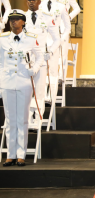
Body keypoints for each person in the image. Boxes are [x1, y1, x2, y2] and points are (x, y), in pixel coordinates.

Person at [1, 10, 43, 167]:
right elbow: (0, 62)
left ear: (23, 22)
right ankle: (10, 154)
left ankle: (21, 154)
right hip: (7, 82)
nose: (13, 22)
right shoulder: (3, 39)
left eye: (17, 19)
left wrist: (35, 69)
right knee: (10, 120)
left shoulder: (31, 39)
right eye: (11, 19)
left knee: (22, 119)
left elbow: (39, 57)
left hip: (24, 81)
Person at [23, 0, 60, 127]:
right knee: (25, 92)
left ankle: (38, 120)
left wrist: (50, 52)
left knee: (39, 92)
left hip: (41, 60)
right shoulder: (22, 18)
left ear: (40, 1)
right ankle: (26, 120)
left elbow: (57, 38)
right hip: (25, 61)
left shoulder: (47, 17)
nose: (31, 2)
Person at [39, 0, 70, 103]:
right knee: (40, 69)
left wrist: (61, 39)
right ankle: (41, 95)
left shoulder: (61, 6)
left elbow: (67, 26)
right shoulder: (39, 5)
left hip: (55, 42)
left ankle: (51, 95)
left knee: (52, 69)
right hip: (41, 40)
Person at [50, 0, 81, 81]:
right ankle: (52, 76)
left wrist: (67, 18)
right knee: (50, 51)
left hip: (63, 27)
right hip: (50, 27)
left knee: (62, 52)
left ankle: (61, 77)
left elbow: (77, 8)